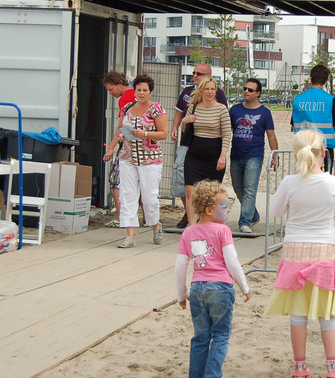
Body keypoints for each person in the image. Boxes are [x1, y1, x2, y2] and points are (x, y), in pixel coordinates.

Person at [263, 129, 335, 378]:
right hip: (323, 249)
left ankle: (300, 369)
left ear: (295, 155)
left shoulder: (290, 182)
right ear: (323, 152)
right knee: (327, 312)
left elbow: (276, 210)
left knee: (298, 314)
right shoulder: (334, 183)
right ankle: (334, 372)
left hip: (295, 250)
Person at [175, 179, 251, 378]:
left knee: (200, 336)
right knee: (220, 334)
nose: (227, 210)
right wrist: (244, 287)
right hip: (221, 287)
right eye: (224, 206)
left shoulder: (188, 233)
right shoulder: (222, 231)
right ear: (209, 210)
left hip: (197, 288)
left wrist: (181, 294)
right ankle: (212, 377)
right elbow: (232, 262)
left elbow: (180, 267)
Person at [110, 74, 167, 248]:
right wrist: (120, 137)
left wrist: (146, 134)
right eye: (139, 90)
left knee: (149, 196)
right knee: (127, 194)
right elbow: (120, 128)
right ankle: (130, 235)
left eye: (145, 90)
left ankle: (155, 223)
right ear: (134, 91)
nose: (141, 93)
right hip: (128, 157)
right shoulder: (127, 108)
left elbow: (163, 133)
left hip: (150, 159)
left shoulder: (156, 109)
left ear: (150, 92)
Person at [171, 64, 228, 228]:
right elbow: (186, 130)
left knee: (211, 194)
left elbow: (227, 134)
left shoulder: (221, 109)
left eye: (212, 89)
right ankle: (192, 227)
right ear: (201, 91)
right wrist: (184, 122)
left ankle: (209, 225)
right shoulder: (193, 107)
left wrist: (223, 156)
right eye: (207, 89)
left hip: (213, 154)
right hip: (194, 155)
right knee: (190, 191)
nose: (210, 92)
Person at [229, 78, 279, 233]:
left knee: (250, 190)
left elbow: (271, 135)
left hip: (254, 156)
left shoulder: (265, 113)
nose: (246, 91)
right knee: (238, 189)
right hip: (236, 155)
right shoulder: (235, 110)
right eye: (245, 88)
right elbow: (227, 130)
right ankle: (254, 214)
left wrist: (275, 156)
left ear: (258, 93)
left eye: (250, 90)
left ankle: (245, 221)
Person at [291, 64, 335, 172]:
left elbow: (294, 124)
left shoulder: (298, 99)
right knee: (324, 179)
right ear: (325, 81)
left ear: (311, 79)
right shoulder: (331, 100)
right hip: (324, 149)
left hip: (303, 148)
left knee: (303, 177)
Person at [103, 71, 136, 226]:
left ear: (120, 85)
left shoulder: (126, 98)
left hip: (129, 145)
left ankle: (120, 217)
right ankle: (144, 218)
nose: (110, 93)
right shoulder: (136, 94)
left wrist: (111, 148)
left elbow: (121, 127)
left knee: (116, 180)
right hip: (142, 145)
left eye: (111, 89)